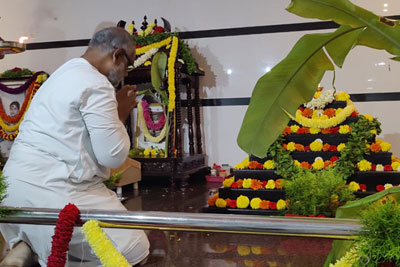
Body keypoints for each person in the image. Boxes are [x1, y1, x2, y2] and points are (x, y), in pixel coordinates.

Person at [0, 27, 149, 266]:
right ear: (117, 56)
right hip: (54, 192)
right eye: (128, 65)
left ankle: (30, 248)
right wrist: (120, 113)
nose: (125, 74)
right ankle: (39, 249)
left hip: (13, 192)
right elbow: (113, 156)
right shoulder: (97, 84)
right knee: (136, 247)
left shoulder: (63, 73)